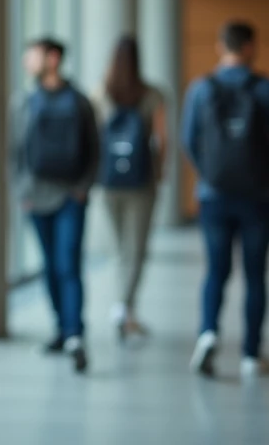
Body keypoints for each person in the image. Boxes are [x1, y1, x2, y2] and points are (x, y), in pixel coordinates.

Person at [181, 21, 269, 379]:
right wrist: (264, 171)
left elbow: (188, 139)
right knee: (256, 275)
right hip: (258, 196)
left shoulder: (200, 88)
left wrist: (208, 174)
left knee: (215, 270)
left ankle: (208, 332)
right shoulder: (266, 87)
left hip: (213, 196)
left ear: (220, 47)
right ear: (250, 47)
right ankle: (250, 353)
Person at [12, 38, 100, 373]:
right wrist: (22, 191)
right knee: (51, 266)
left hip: (70, 197)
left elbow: (95, 148)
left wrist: (82, 188)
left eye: (31, 55)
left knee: (69, 264)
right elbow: (14, 152)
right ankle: (61, 331)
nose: (26, 61)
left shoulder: (79, 102)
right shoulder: (24, 102)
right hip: (36, 196)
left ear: (53, 58)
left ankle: (75, 333)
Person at [91, 35, 167, 342]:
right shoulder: (153, 95)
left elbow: (94, 137)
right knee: (136, 249)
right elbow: (162, 139)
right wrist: (161, 172)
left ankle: (123, 308)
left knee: (119, 249)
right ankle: (124, 307)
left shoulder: (100, 93)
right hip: (141, 180)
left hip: (108, 181)